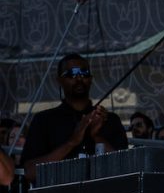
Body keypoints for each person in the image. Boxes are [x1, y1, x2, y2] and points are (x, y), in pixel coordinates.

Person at [20, 53, 128, 183]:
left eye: (84, 73)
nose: (79, 78)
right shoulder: (44, 120)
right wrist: (72, 142)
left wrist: (97, 137)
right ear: (59, 81)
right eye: (71, 74)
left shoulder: (109, 119)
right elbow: (30, 172)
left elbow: (125, 167)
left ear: (91, 79)